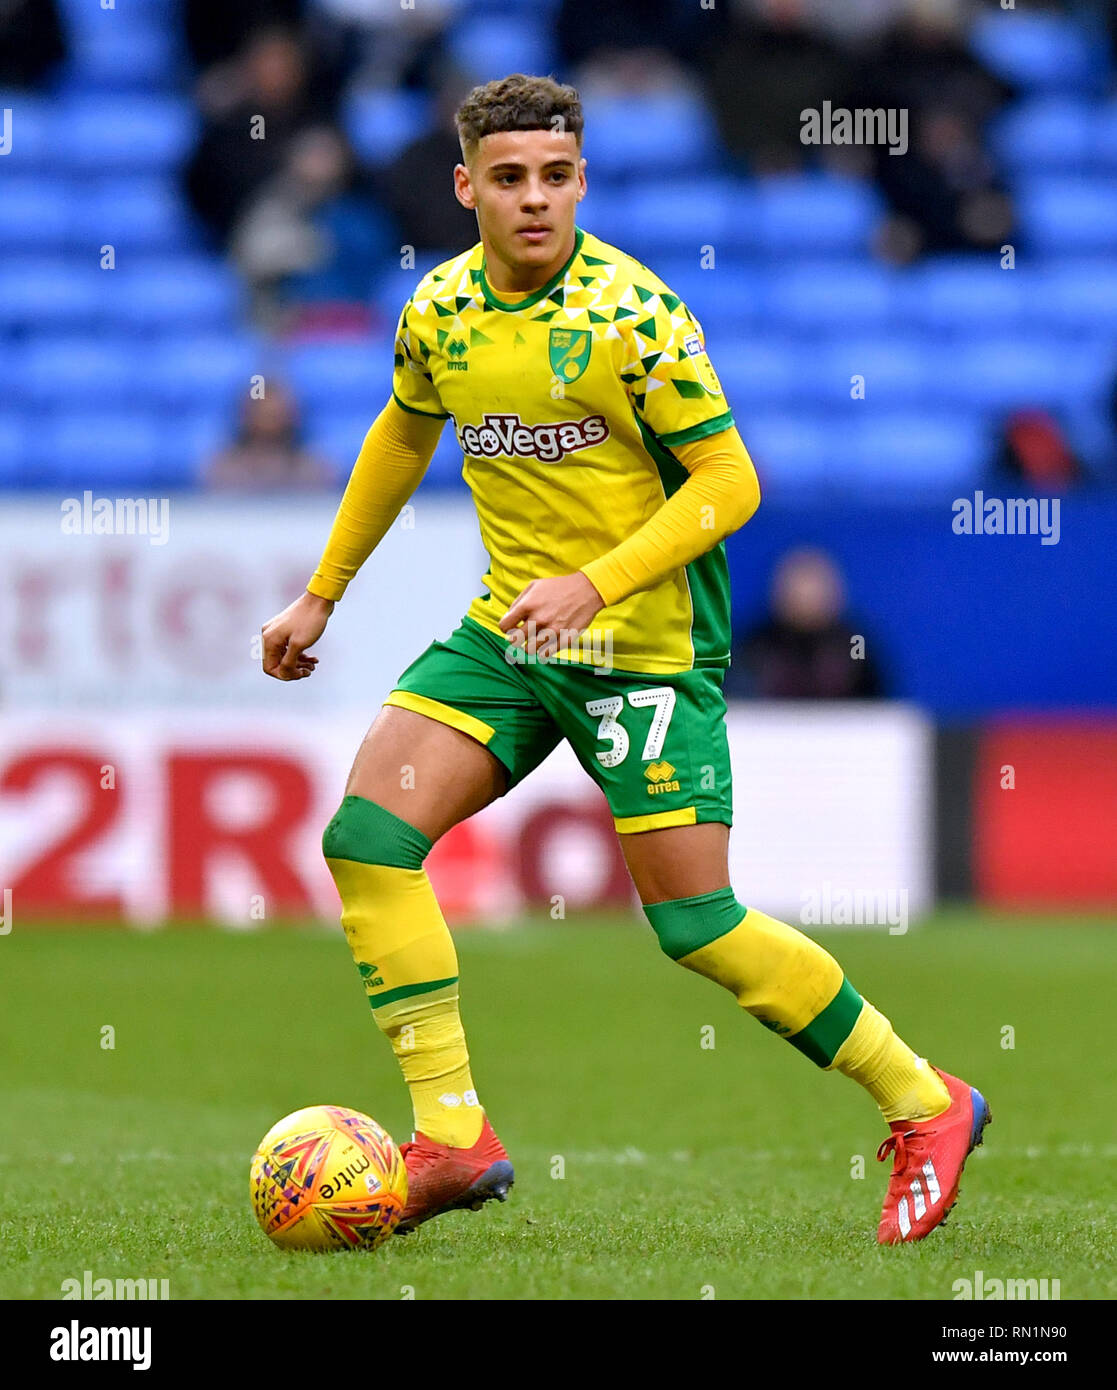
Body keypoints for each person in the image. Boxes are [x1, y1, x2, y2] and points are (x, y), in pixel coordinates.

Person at [260, 74, 989, 1244]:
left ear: (581, 181)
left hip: (642, 649)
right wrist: (321, 592)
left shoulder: (634, 316)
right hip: (512, 636)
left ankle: (928, 1097)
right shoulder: (439, 312)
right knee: (367, 838)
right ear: (466, 188)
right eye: (508, 178)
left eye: (555, 176)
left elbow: (731, 482)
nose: (534, 198)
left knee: (696, 926)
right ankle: (452, 1137)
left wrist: (595, 582)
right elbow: (402, 431)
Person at [725, 547, 885, 699]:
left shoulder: (855, 644)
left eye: (815, 583)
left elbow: (875, 708)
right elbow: (738, 703)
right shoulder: (755, 646)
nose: (807, 593)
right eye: (800, 583)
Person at [204, 383, 332, 490]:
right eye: (263, 412)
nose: (269, 417)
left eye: (274, 413)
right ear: (246, 414)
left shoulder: (311, 469)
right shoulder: (225, 469)